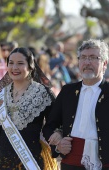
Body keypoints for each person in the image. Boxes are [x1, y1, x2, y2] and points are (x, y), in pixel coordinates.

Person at [0, 47, 61, 170]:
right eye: (11, 63)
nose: (14, 68)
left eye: (20, 63)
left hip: (32, 158)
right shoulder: (0, 95)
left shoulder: (43, 93)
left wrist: (58, 134)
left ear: (31, 66)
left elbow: (55, 123)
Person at [47, 39, 109, 170]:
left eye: (93, 58)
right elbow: (50, 125)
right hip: (71, 163)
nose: (87, 62)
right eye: (83, 58)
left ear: (104, 63)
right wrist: (58, 143)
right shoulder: (67, 91)